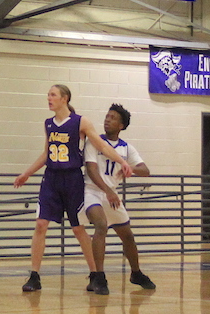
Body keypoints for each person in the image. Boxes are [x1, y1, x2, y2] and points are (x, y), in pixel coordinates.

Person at [14, 85, 133, 292]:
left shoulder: (81, 122)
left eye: (52, 95)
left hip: (72, 179)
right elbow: (46, 153)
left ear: (64, 98)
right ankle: (34, 275)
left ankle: (96, 274)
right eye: (48, 94)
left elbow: (102, 146)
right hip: (51, 178)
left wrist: (121, 161)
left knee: (78, 229)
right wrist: (27, 173)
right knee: (41, 223)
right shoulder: (48, 123)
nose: (48, 98)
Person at [79, 103, 156, 295]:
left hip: (111, 194)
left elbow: (146, 171)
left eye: (113, 117)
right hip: (92, 191)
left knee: (128, 236)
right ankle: (98, 276)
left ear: (121, 125)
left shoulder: (126, 149)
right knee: (100, 226)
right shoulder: (94, 142)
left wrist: (130, 168)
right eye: (107, 116)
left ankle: (136, 273)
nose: (107, 119)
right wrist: (107, 190)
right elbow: (91, 169)